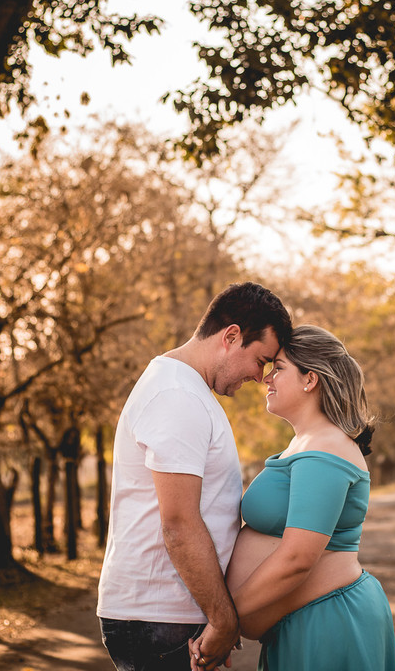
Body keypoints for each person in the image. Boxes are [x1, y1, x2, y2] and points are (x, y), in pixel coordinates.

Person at [97, 281, 294, 671]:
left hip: (170, 616)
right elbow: (179, 524)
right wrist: (223, 618)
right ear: (231, 336)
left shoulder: (185, 389)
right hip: (158, 619)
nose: (260, 377)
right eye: (260, 360)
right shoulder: (177, 396)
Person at [191, 324, 395, 671]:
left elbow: (298, 557)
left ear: (310, 379)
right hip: (305, 620)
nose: (266, 379)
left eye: (279, 368)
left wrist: (224, 621)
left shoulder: (326, 446)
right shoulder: (307, 442)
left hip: (327, 621)